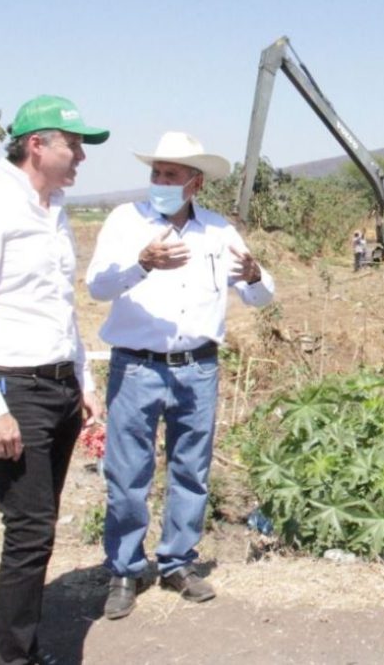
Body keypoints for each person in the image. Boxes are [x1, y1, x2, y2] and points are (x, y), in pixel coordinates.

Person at [0, 95, 108, 665]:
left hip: (58, 386)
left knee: (40, 528)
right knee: (29, 533)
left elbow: (58, 307)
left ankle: (24, 648)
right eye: (74, 144)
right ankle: (12, 658)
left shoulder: (54, 208)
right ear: (37, 145)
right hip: (16, 391)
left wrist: (81, 380)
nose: (81, 156)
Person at [86, 131, 275, 620]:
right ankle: (126, 569)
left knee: (191, 469)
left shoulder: (218, 232)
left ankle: (177, 562)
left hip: (198, 368)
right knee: (128, 474)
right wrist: (140, 265)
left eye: (171, 175)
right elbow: (97, 287)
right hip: (136, 366)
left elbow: (261, 295)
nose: (160, 182)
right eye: (156, 173)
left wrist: (254, 276)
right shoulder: (125, 222)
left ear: (195, 183)